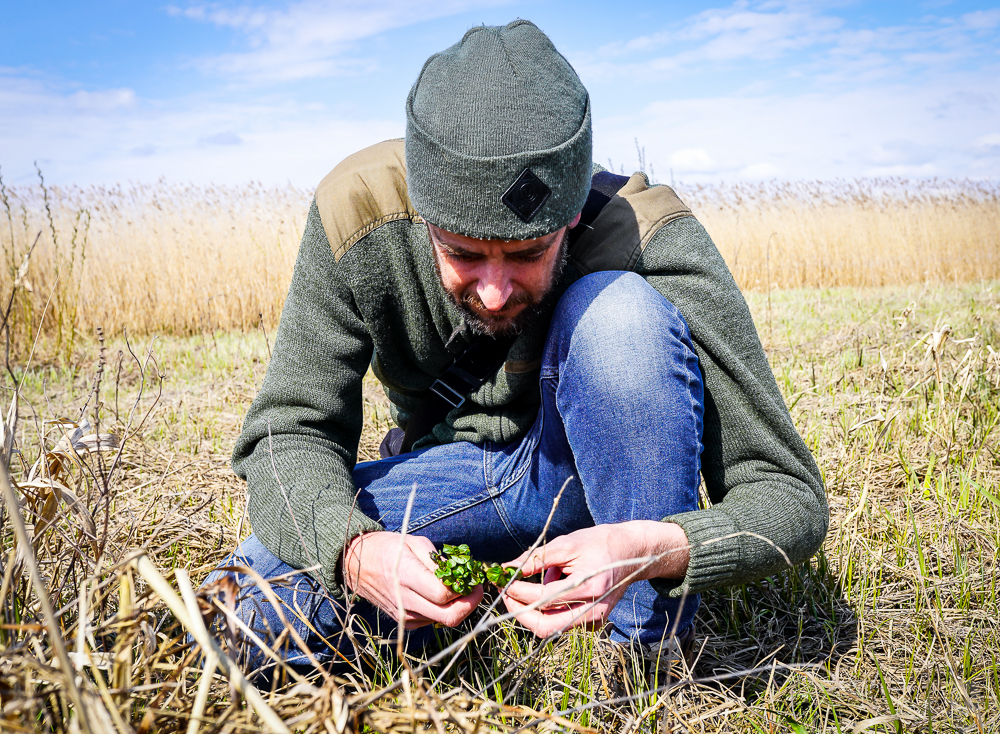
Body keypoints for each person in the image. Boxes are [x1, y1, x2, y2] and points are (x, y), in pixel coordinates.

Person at [204, 20, 828, 678]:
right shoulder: (356, 213)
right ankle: (433, 613)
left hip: (594, 484)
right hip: (458, 475)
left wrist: (657, 548)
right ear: (423, 214)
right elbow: (288, 433)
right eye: (464, 254)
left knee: (620, 319)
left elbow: (788, 497)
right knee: (235, 617)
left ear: (569, 216)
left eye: (530, 253)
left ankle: (643, 661)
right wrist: (354, 553)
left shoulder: (653, 236)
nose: (497, 293)